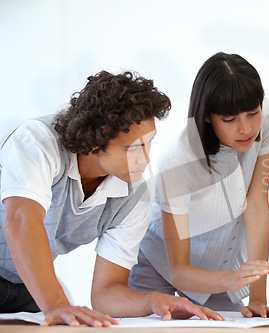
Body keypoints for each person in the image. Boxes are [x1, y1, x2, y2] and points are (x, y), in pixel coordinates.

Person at [0, 71, 223, 327]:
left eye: (149, 143)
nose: (146, 158)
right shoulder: (37, 141)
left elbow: (106, 293)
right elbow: (20, 221)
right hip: (36, 288)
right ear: (94, 144)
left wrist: (151, 301)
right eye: (133, 148)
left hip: (25, 289)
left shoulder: (133, 195)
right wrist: (56, 303)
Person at [129, 52, 269, 318]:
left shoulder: (268, 118)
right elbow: (178, 270)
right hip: (161, 261)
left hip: (218, 268)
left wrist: (258, 298)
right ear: (206, 117)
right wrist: (229, 280)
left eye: (252, 113)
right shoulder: (179, 160)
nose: (246, 128)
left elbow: (257, 207)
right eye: (229, 119)